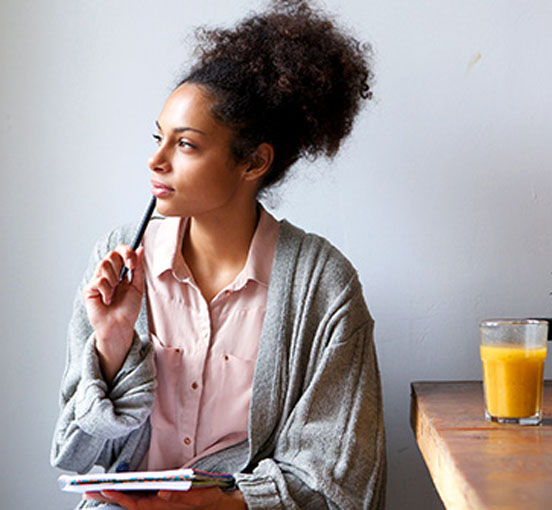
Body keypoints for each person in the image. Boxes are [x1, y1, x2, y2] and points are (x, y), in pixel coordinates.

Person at [50, 1, 386, 508]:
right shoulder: (118, 262)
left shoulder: (323, 284)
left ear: (253, 161)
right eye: (158, 137)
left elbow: (341, 478)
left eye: (185, 145)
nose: (155, 160)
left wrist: (228, 503)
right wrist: (113, 342)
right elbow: (76, 452)